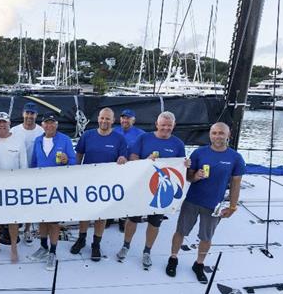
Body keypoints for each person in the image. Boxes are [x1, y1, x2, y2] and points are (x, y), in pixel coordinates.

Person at [166, 122, 245, 283]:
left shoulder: (235, 158)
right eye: (214, 133)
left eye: (221, 133)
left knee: (206, 237)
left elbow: (236, 183)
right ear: (210, 135)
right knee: (180, 231)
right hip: (193, 200)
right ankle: (173, 258)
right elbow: (188, 177)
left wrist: (233, 206)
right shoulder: (199, 153)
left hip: (214, 205)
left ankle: (199, 264)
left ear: (228, 135)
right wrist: (195, 176)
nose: (217, 136)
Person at [123, 111, 189, 270]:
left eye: (169, 126)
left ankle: (147, 251)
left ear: (173, 126)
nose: (166, 128)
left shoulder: (178, 144)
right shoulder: (144, 138)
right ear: (157, 125)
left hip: (162, 190)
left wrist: (186, 165)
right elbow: (132, 157)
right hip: (141, 186)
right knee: (133, 219)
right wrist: (145, 161)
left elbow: (180, 166)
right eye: (163, 125)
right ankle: (126, 246)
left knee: (155, 222)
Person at [70, 108, 128, 261]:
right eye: (102, 118)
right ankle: (81, 239)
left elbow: (123, 157)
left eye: (108, 119)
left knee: (101, 215)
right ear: (98, 118)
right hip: (87, 181)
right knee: (85, 213)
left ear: (113, 120)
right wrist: (76, 169)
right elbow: (79, 153)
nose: (104, 121)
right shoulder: (88, 135)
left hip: (107, 184)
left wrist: (123, 159)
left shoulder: (119, 139)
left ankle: (96, 243)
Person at [30, 113, 76, 271]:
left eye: (52, 123)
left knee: (54, 222)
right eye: (46, 123)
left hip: (58, 187)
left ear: (56, 124)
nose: (49, 125)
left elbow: (74, 161)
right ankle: (43, 247)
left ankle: (52, 251)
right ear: (42, 125)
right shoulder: (37, 140)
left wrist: (66, 161)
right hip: (41, 186)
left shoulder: (65, 140)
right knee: (42, 219)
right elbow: (33, 163)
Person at [0, 111, 28, 263]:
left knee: (13, 219)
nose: (2, 125)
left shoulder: (18, 140)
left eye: (4, 122)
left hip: (13, 188)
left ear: (9, 124)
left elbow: (24, 166)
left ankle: (14, 248)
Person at [11, 102, 44, 243]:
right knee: (16, 201)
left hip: (34, 172)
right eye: (27, 113)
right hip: (17, 172)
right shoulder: (14, 130)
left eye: (32, 113)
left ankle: (27, 229)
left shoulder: (41, 131)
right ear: (23, 114)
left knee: (31, 202)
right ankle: (13, 227)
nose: (29, 116)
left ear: (36, 115)